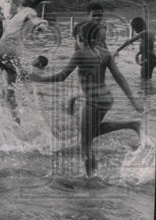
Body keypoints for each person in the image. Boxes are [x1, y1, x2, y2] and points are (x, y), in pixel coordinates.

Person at [29, 21, 143, 177]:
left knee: (85, 143)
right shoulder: (105, 53)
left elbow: (62, 76)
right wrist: (133, 101)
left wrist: (39, 78)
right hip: (107, 99)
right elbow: (120, 77)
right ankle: (132, 124)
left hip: (93, 101)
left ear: (80, 37)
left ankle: (91, 177)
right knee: (91, 132)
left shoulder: (80, 54)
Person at [115, 16, 156, 82]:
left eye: (134, 28)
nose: (134, 31)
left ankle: (145, 91)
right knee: (148, 79)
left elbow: (129, 41)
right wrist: (138, 53)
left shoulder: (144, 33)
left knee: (144, 80)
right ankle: (150, 91)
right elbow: (149, 47)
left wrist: (118, 50)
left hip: (147, 59)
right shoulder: (150, 32)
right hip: (152, 58)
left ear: (138, 26)